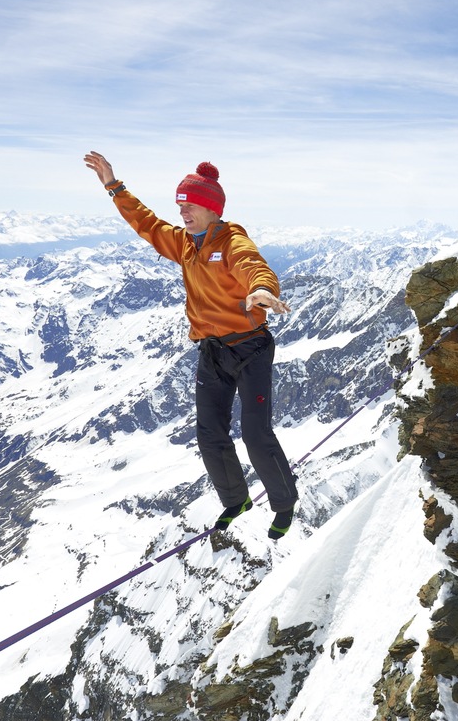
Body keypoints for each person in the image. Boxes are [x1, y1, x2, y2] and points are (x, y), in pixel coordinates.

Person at [83, 151, 298, 540]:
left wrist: (262, 290)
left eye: (191, 205)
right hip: (212, 351)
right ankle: (237, 500)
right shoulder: (184, 243)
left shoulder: (231, 239)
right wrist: (114, 186)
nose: (183, 212)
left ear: (213, 209)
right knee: (209, 432)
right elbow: (146, 224)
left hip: (250, 348)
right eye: (181, 205)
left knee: (255, 433)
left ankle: (284, 503)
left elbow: (253, 265)